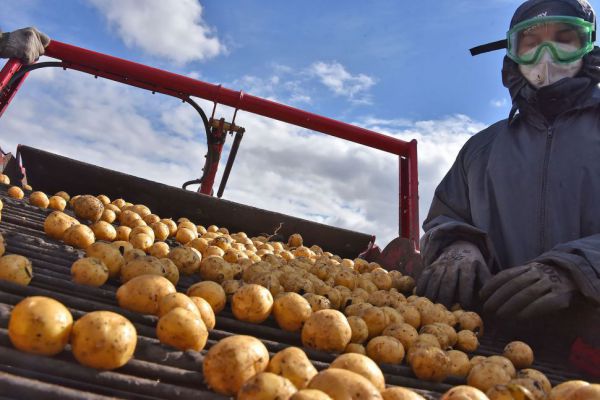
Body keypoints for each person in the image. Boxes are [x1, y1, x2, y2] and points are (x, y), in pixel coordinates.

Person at [417, 0, 600, 376]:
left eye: (565, 39)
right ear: (512, 55)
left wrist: (577, 269)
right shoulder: (481, 149)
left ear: (589, 49)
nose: (547, 56)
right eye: (531, 43)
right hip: (490, 351)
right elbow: (446, 217)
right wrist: (458, 245)